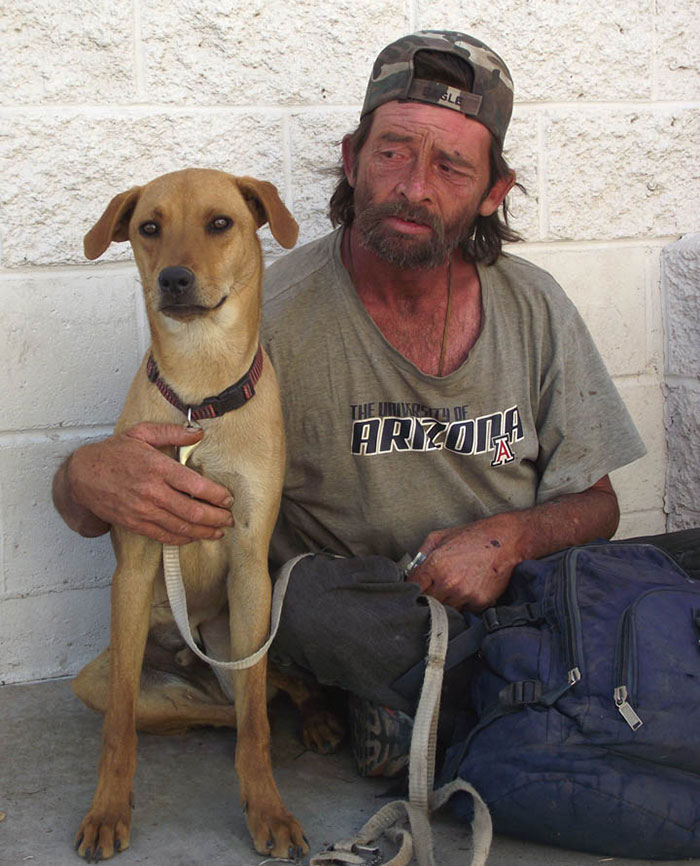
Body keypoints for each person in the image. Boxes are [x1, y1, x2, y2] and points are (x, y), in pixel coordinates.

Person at [53, 31, 646, 775]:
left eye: (451, 165)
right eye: (392, 151)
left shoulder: (535, 305)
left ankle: (443, 701)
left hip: (510, 592)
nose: (414, 186)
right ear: (351, 159)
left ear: (494, 190)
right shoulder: (256, 318)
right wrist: (83, 477)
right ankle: (517, 703)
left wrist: (508, 540)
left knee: (643, 567)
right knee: (306, 602)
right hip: (363, 611)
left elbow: (598, 505)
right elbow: (121, 494)